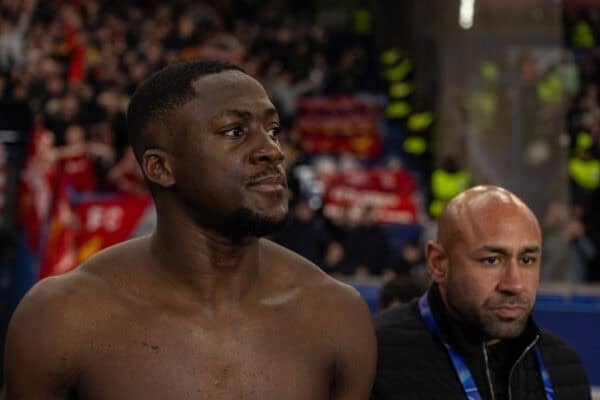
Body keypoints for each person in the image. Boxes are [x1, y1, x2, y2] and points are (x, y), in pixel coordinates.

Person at [2, 59, 377, 399]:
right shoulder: (63, 318)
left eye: (273, 129)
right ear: (161, 168)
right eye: (234, 131)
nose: (273, 150)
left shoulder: (335, 316)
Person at [372, 185, 591, 399]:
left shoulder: (563, 367)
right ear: (438, 263)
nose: (514, 284)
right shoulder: (375, 356)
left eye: (527, 260)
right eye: (491, 260)